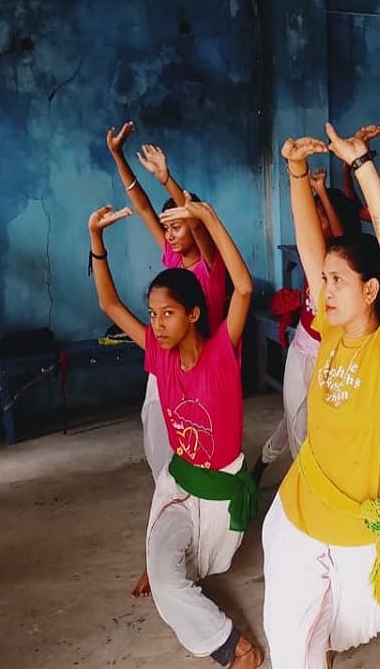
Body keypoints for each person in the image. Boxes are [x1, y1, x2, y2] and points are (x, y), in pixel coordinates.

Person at [262, 124, 380, 668]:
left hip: (360, 533)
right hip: (304, 511)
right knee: (291, 647)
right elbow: (312, 249)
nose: (324, 290)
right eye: (324, 281)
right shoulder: (330, 331)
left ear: (370, 290)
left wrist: (362, 166)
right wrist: (296, 175)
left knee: (343, 629)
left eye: (338, 281)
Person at [88, 196, 261, 669]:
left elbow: (243, 288)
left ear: (194, 314)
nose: (157, 324)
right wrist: (96, 238)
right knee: (167, 582)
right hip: (178, 482)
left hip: (219, 491)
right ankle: (233, 646)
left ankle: (170, 567)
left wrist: (208, 218)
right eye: (152, 314)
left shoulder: (222, 353)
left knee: (190, 572)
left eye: (168, 313)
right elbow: (108, 303)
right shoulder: (159, 356)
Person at [106, 122, 227, 487]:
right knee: (157, 424)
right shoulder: (173, 260)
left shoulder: (210, 265)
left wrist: (167, 180)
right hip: (168, 358)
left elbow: (198, 223)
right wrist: (118, 156)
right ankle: (168, 488)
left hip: (203, 361)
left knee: (202, 430)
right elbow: (142, 207)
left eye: (177, 227)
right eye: (167, 228)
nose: (170, 235)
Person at [252, 168, 360, 483]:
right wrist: (306, 186)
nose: (315, 223)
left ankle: (308, 479)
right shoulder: (315, 255)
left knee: (312, 421)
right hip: (303, 347)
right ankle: (276, 463)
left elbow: (339, 237)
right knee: (294, 416)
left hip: (331, 357)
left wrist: (322, 191)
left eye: (321, 217)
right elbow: (306, 223)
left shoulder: (344, 260)